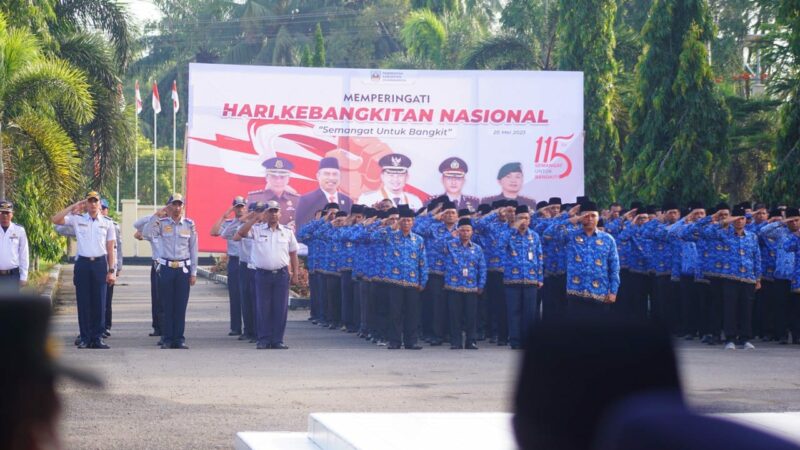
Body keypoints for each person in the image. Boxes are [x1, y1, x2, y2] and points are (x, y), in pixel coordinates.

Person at [51, 191, 116, 349]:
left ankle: (97, 337)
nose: (93, 204)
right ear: (86, 204)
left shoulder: (107, 222)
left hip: (100, 263)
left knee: (100, 302)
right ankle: (85, 337)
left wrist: (112, 270)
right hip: (83, 264)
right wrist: (73, 206)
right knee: (84, 302)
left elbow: (111, 247)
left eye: (95, 201)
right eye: (90, 201)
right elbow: (55, 220)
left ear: (100, 204)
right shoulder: (77, 219)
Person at [692, 205, 761, 350]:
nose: (739, 221)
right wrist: (723, 221)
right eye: (736, 218)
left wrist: (758, 278)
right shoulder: (722, 233)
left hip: (748, 277)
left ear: (746, 220)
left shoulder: (752, 236)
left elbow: (756, 257)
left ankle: (745, 338)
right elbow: (700, 230)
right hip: (729, 277)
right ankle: (730, 338)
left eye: (742, 218)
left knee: (746, 309)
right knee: (730, 309)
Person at [234, 200, 299, 350]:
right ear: (266, 213)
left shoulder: (287, 232)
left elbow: (293, 253)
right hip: (262, 274)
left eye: (276, 211)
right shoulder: (257, 229)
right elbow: (241, 233)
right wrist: (255, 218)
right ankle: (263, 339)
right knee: (262, 308)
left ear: (280, 214)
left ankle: (277, 340)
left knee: (280, 308)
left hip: (281, 275)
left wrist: (295, 273)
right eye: (270, 211)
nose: (273, 214)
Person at [143, 193, 198, 349]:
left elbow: (193, 249)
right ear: (169, 206)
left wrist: (193, 272)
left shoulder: (189, 225)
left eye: (180, 204)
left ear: (183, 207)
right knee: (167, 305)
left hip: (183, 269)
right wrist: (156, 215)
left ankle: (179, 339)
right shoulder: (162, 223)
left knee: (180, 306)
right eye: (174, 204)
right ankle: (167, 338)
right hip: (166, 268)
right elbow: (147, 233)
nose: (177, 207)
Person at [370, 207, 428, 349]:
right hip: (394, 281)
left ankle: (411, 341)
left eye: (409, 220)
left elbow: (423, 262)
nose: (406, 223)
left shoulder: (418, 240)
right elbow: (374, 237)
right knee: (394, 312)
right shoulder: (390, 236)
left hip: (412, 281)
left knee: (412, 313)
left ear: (413, 222)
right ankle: (395, 341)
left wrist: (423, 280)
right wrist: (392, 227)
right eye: (403, 220)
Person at [549, 201, 620, 315]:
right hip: (576, 293)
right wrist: (568, 217)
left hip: (600, 293)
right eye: (587, 215)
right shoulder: (571, 235)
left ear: (598, 217)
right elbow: (549, 234)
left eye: (593, 215)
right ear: (581, 217)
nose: (590, 218)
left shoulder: (608, 239)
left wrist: (613, 291)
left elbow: (614, 267)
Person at [501, 205, 544, 349]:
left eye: (526, 218)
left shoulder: (535, 236)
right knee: (514, 312)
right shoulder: (508, 234)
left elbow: (539, 257)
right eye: (520, 218)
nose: (524, 221)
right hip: (512, 280)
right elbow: (500, 245)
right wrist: (514, 228)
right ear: (515, 219)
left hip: (531, 280)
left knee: (530, 313)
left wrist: (540, 278)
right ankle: (515, 341)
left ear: (530, 220)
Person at [442, 217, 486, 349]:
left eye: (468, 230)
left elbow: (482, 267)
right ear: (458, 231)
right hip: (454, 286)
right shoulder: (450, 245)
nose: (465, 233)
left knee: (471, 316)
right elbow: (438, 245)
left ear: (472, 232)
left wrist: (481, 284)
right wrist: (450, 236)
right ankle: (455, 341)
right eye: (462, 230)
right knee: (455, 315)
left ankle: (470, 341)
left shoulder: (477, 248)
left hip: (471, 287)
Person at [760, 207, 800, 344]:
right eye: (791, 221)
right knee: (780, 306)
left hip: (798, 278)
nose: (794, 223)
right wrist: (782, 222)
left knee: (797, 308)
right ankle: (781, 334)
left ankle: (797, 335)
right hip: (781, 276)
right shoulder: (781, 232)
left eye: (797, 220)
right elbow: (763, 231)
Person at [210, 196, 247, 337]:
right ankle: (236, 327)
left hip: (248, 262)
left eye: (242, 206)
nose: (240, 209)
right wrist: (223, 216)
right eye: (237, 206)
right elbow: (213, 232)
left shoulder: (250, 223)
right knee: (235, 295)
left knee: (248, 295)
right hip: (235, 261)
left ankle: (250, 328)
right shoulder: (229, 223)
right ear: (233, 208)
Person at [294, 157, 353, 228]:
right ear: (318, 176)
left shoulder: (348, 201)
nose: (331, 178)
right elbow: (300, 227)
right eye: (327, 174)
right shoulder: (306, 200)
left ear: (340, 176)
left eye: (335, 174)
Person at [357, 153, 423, 210]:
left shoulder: (415, 201)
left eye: (400, 175)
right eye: (391, 175)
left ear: (407, 177)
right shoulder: (367, 199)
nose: (395, 179)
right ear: (382, 176)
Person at [247, 157, 299, 228]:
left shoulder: (296, 200)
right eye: (274, 177)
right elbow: (244, 226)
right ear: (266, 178)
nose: (278, 181)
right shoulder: (254, 199)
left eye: (282, 177)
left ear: (288, 179)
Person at [134, 213, 163, 340]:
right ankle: (157, 327)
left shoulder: (174, 229)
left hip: (170, 265)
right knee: (156, 298)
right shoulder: (153, 228)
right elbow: (136, 225)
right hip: (157, 265)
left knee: (167, 299)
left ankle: (167, 327)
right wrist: (155, 215)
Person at [98, 199, 122, 338]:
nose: (102, 210)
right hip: (96, 265)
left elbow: (117, 247)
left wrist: (117, 267)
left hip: (109, 266)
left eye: (104, 208)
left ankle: (106, 325)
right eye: (101, 207)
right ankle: (96, 327)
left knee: (107, 299)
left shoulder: (112, 225)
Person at [0, 200, 28, 293]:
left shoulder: (19, 230)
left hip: (12, 276)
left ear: (12, 214)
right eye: (2, 213)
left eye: (7, 213)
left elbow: (24, 254)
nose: (4, 216)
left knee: (11, 306)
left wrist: (24, 276)